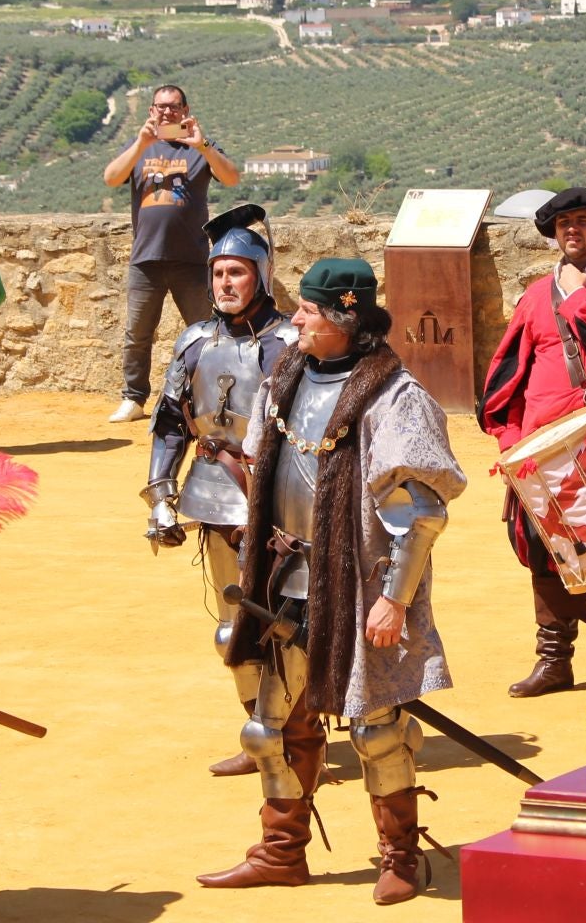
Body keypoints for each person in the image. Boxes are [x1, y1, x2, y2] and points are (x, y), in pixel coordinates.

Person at [200, 259, 464, 906]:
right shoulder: (286, 377)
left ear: (344, 317)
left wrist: (393, 599)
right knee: (271, 727)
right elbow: (261, 463)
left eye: (309, 310)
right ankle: (281, 852)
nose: (294, 319)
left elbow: (421, 514)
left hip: (360, 587)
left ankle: (400, 855)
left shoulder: (393, 396)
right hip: (285, 578)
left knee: (377, 730)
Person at [140, 205, 294, 777]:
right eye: (218, 273)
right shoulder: (194, 342)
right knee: (233, 626)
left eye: (238, 272)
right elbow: (170, 423)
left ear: (261, 275)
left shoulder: (290, 341)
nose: (226, 283)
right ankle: (261, 736)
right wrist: (161, 498)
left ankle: (296, 736)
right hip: (213, 490)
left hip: (280, 499)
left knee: (288, 624)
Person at [479, 186, 586, 698]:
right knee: (545, 550)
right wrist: (510, 441)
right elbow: (508, 373)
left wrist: (575, 293)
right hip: (541, 451)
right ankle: (555, 661)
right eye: (563, 223)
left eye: (582, 221)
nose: (572, 230)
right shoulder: (535, 296)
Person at [101, 83, 240, 424]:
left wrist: (202, 145)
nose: (166, 112)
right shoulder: (139, 147)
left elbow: (231, 177)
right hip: (145, 259)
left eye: (173, 106)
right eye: (160, 106)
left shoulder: (200, 147)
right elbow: (111, 178)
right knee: (137, 334)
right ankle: (133, 398)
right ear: (151, 110)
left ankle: (209, 395)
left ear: (185, 110)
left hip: (191, 259)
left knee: (205, 332)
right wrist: (141, 143)